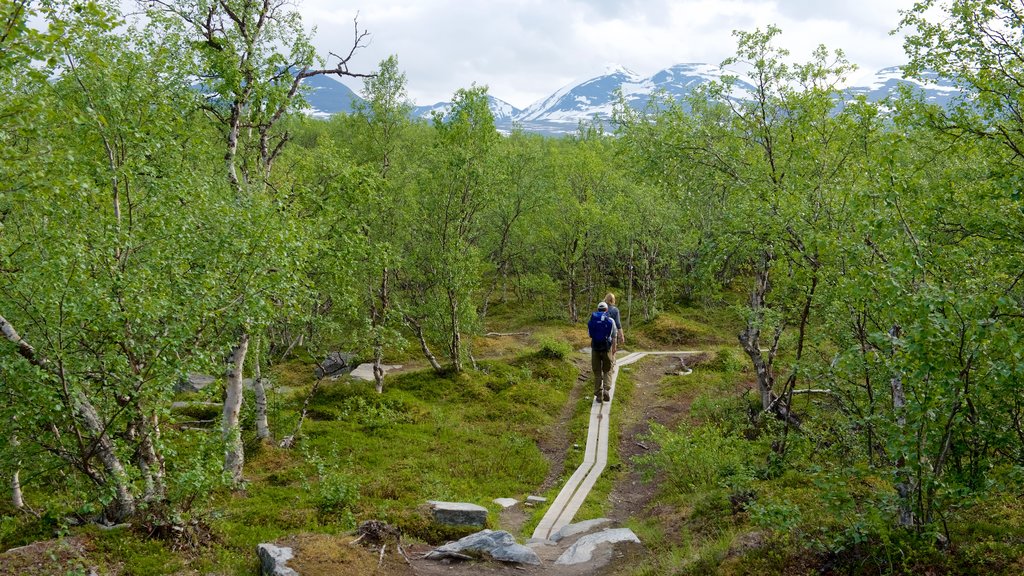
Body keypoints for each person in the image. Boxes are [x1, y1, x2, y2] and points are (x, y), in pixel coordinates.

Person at [588, 301, 617, 402]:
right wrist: (614, 347)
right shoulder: (611, 320)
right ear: (606, 309)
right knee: (607, 369)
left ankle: (598, 394)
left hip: (595, 348)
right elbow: (614, 336)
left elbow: (590, 334)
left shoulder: (592, 319)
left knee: (597, 371)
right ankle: (606, 390)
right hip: (606, 348)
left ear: (597, 309)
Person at [604, 293, 625, 361]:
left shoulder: (601, 308)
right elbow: (618, 324)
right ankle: (612, 361)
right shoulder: (615, 310)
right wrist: (621, 335)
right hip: (612, 334)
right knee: (613, 351)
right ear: (613, 300)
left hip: (601, 333)